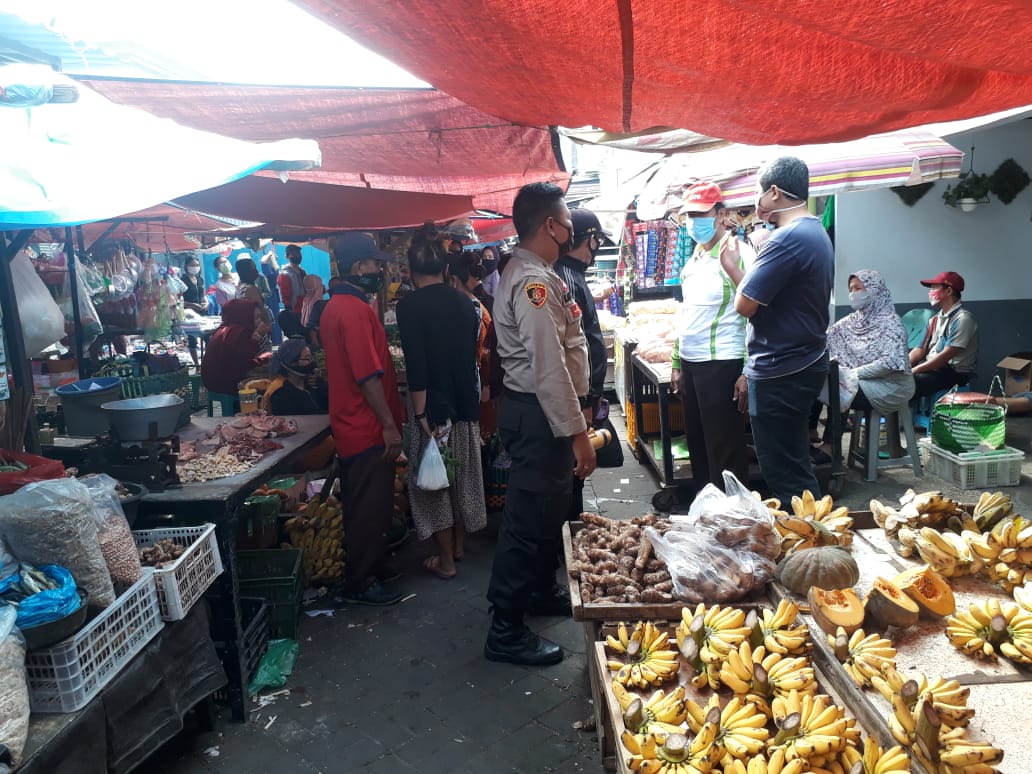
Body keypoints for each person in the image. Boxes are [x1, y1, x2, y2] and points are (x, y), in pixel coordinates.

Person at [484, 182, 594, 667]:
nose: (571, 230)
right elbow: (549, 367)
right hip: (538, 415)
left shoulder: (536, 273)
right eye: (568, 221)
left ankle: (539, 590)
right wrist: (579, 436)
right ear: (551, 225)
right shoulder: (533, 281)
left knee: (548, 514)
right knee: (527, 524)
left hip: (540, 412)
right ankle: (505, 630)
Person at [734, 156, 834, 505]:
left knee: (785, 471)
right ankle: (812, 530)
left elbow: (744, 304)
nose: (757, 200)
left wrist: (735, 266)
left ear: (774, 192)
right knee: (794, 461)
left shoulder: (787, 239)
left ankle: (810, 534)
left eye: (759, 192)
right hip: (803, 360)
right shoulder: (814, 231)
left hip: (782, 368)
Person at [320, 232, 405, 606]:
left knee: (373, 503)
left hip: (355, 422)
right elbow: (367, 375)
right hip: (364, 425)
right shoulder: (352, 311)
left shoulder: (339, 306)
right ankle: (361, 580)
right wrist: (388, 425)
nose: (379, 270)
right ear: (358, 267)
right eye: (374, 264)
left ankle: (373, 565)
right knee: (367, 507)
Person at [396, 236, 486, 581]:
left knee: (434, 486)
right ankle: (459, 547)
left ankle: (446, 560)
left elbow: (417, 365)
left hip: (433, 407)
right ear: (445, 269)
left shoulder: (409, 307)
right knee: (461, 478)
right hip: (465, 403)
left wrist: (420, 414)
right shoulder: (466, 303)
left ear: (411, 270)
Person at [671, 182, 754, 490]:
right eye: (689, 215)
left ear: (720, 214)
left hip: (722, 363)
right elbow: (687, 312)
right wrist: (677, 361)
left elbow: (755, 314)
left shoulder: (739, 254)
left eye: (700, 214)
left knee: (725, 449)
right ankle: (707, 509)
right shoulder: (694, 258)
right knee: (698, 445)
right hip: (692, 364)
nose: (693, 221)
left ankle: (733, 512)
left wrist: (747, 371)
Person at [817, 270, 915, 455]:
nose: (853, 294)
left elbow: (889, 363)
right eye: (851, 289)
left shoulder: (891, 323)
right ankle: (809, 433)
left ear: (874, 290)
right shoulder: (853, 321)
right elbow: (827, 337)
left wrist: (852, 374)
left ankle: (830, 447)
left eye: (859, 288)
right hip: (863, 380)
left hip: (892, 386)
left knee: (839, 386)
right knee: (815, 378)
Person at [557, 207, 611, 514]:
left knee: (576, 467)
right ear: (590, 240)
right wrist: (588, 398)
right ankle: (571, 525)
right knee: (576, 465)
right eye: (597, 240)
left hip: (580, 393)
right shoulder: (566, 277)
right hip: (578, 396)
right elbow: (577, 346)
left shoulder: (572, 274)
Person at [448, 251, 497, 440]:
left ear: (453, 280)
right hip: (475, 379)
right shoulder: (477, 306)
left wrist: (486, 383)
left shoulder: (471, 308)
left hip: (473, 380)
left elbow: (482, 352)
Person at [909, 271, 978, 398]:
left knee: (909, 383)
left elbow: (945, 357)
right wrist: (901, 367)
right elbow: (919, 350)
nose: (930, 292)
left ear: (948, 291)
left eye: (934, 288)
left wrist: (914, 370)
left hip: (953, 373)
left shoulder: (963, 319)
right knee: (896, 379)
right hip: (932, 369)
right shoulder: (934, 320)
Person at [200, 299, 271, 396]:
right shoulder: (237, 333)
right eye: (256, 317)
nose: (260, 321)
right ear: (246, 316)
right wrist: (256, 339)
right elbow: (245, 361)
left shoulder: (228, 329)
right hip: (223, 383)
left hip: (213, 380)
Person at [262, 338, 328, 414]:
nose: (311, 362)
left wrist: (322, 387)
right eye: (307, 358)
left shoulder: (306, 383)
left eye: (311, 358)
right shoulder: (280, 392)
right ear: (292, 363)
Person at [181, 255, 208, 366]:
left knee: (207, 337)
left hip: (202, 311)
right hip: (189, 313)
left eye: (197, 265)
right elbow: (179, 300)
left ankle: (206, 362)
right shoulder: (182, 281)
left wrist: (205, 302)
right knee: (192, 339)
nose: (195, 267)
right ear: (186, 266)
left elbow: (203, 294)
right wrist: (192, 305)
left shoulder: (200, 279)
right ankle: (197, 365)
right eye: (192, 265)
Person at [260, 248, 284, 344]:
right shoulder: (275, 269)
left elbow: (263, 261)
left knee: (272, 317)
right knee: (275, 317)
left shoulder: (268, 270)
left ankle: (275, 339)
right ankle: (277, 339)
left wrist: (270, 253)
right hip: (273, 294)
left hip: (271, 296)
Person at [277, 244, 307, 314]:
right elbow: (285, 297)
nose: (297, 255)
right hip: (294, 311)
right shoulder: (285, 275)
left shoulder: (302, 272)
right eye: (294, 254)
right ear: (287, 256)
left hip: (305, 308)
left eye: (298, 253)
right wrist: (289, 311)